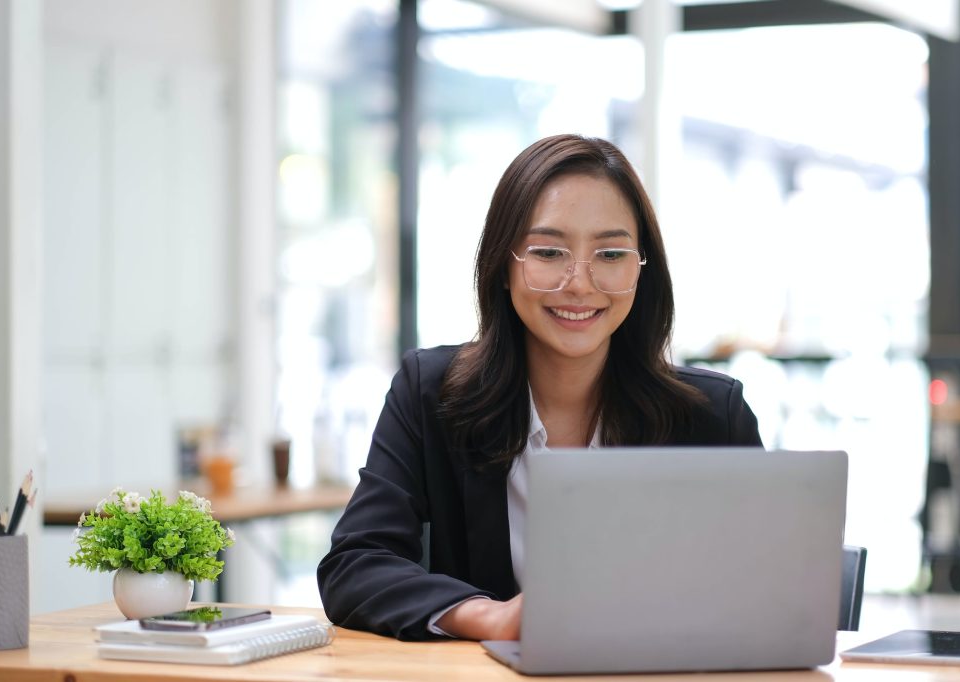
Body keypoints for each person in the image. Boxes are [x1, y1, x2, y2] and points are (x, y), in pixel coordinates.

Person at [317, 133, 762, 642]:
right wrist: (489, 616)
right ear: (504, 268)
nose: (579, 282)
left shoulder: (713, 415)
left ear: (642, 271)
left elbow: (762, 592)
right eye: (549, 252)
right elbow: (354, 564)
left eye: (611, 253)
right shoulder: (431, 394)